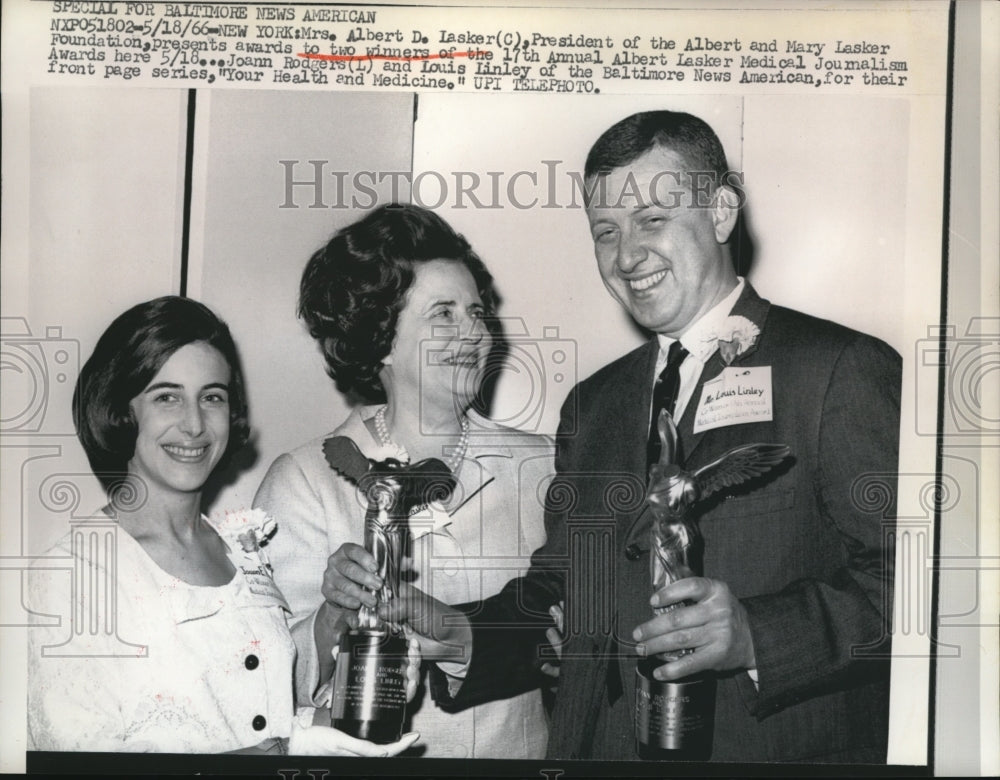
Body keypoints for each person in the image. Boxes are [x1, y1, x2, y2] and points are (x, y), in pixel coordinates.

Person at [380, 110, 901, 763]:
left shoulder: (837, 369)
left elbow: (914, 589)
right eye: (605, 231)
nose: (626, 256)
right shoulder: (593, 405)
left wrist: (754, 636)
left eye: (652, 220)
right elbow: (563, 593)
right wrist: (461, 633)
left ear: (720, 212)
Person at [27, 296, 419, 755]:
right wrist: (279, 755)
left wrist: (363, 691)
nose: (194, 425)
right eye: (167, 397)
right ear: (121, 410)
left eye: (212, 397)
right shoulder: (73, 575)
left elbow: (262, 721)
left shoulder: (240, 551)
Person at [253, 204, 555, 759]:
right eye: (443, 314)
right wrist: (330, 620)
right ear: (383, 340)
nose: (473, 333)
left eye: (477, 311)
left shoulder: (543, 468)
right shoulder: (303, 481)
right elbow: (265, 682)